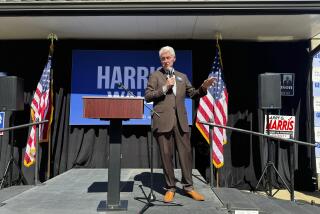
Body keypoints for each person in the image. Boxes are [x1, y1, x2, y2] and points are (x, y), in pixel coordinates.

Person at [145, 46, 216, 203]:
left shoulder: (182, 76)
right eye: (162, 58)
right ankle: (170, 188)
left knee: (185, 155)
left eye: (168, 58)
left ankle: (188, 187)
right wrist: (164, 88)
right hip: (162, 121)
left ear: (174, 59)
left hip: (181, 122)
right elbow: (148, 96)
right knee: (166, 156)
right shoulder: (155, 76)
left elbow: (193, 94)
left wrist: (204, 87)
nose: (165, 61)